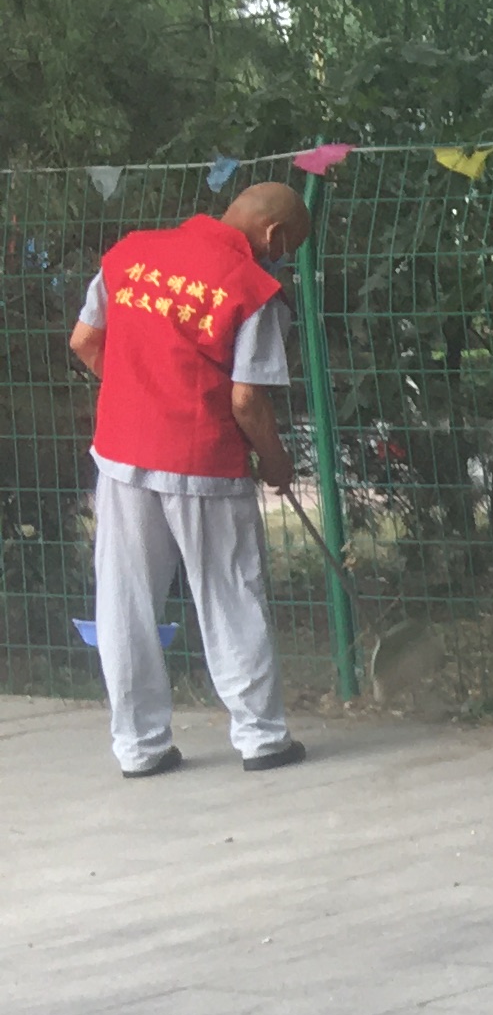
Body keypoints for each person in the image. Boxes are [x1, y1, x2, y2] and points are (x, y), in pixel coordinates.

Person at [68, 181, 315, 778]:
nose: (283, 259)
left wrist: (141, 393)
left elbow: (84, 341)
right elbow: (247, 400)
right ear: (274, 235)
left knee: (125, 601)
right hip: (205, 462)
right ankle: (261, 737)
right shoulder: (253, 287)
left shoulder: (128, 254)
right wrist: (276, 461)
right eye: (289, 248)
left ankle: (140, 748)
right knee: (231, 594)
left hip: (121, 455)